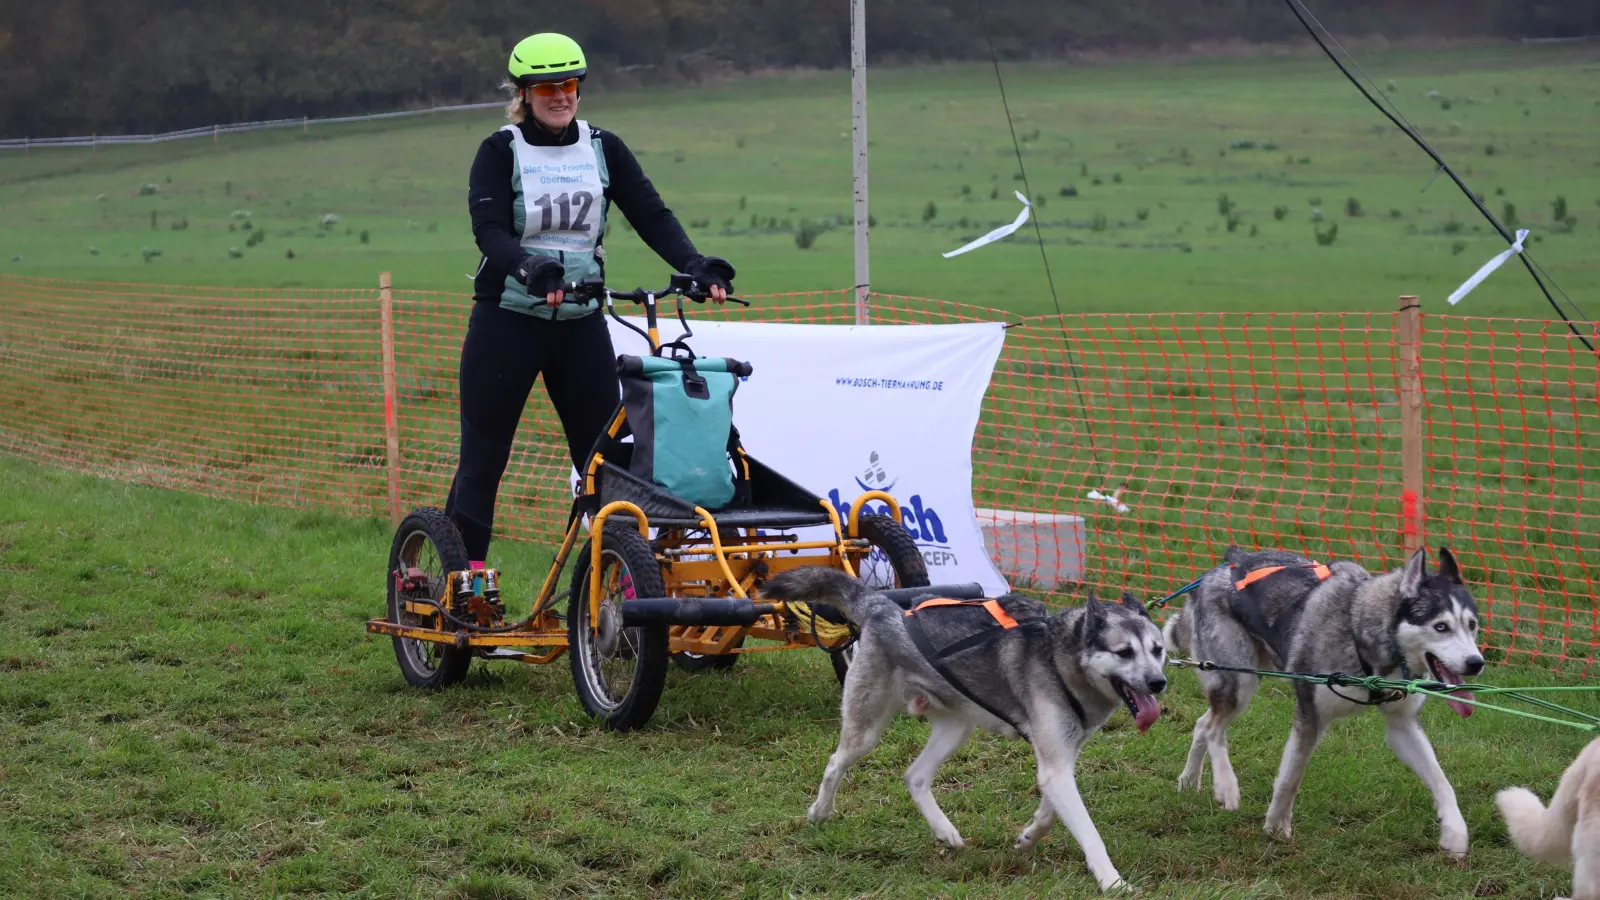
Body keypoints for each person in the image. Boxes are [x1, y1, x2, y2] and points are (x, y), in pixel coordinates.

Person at [446, 32, 736, 569]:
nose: (561, 96)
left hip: (579, 324)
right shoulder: (499, 150)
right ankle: (466, 583)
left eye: (570, 84)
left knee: (607, 464)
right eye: (548, 87)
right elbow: (488, 230)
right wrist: (529, 265)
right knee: (485, 460)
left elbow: (651, 215)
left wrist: (694, 264)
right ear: (524, 93)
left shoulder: (603, 147)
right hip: (507, 322)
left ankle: (623, 583)